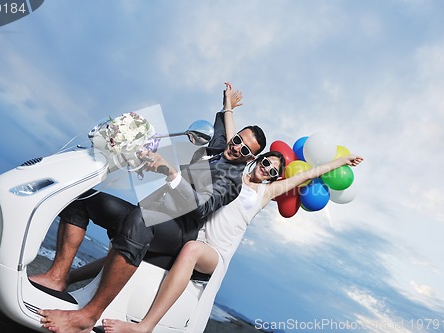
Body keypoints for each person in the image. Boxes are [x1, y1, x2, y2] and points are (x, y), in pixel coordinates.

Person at [33, 83, 267, 333]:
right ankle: (57, 277)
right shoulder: (222, 146)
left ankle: (89, 315)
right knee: (86, 200)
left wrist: (170, 172)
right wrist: (228, 104)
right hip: (154, 210)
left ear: (249, 159)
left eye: (243, 149)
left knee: (139, 221)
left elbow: (202, 207)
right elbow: (221, 125)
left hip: (178, 230)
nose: (235, 147)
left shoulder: (231, 181)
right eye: (238, 140)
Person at [101, 152, 364, 333]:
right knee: (139, 237)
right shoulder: (232, 176)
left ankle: (145, 326)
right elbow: (233, 139)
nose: (268, 169)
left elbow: (311, 173)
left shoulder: (265, 192)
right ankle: (76, 281)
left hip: (214, 253)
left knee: (191, 250)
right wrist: (228, 107)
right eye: (266, 163)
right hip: (194, 237)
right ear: (258, 161)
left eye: (273, 171)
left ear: (274, 178)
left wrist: (342, 160)